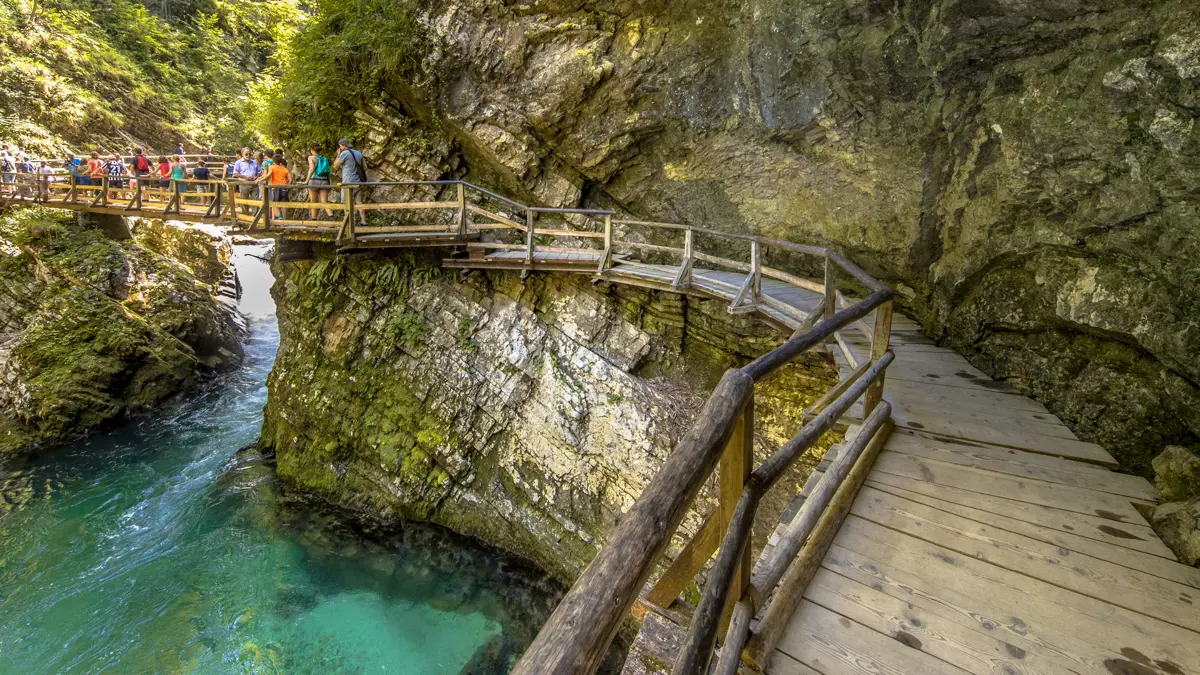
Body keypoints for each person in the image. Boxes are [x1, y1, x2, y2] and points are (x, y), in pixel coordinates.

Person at [306, 143, 333, 219]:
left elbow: (311, 169)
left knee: (314, 203)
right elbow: (328, 172)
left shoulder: (311, 157)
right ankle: (331, 217)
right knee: (324, 201)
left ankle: (314, 222)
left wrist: (306, 181)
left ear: (311, 150)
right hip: (324, 181)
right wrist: (329, 184)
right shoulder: (324, 158)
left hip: (314, 181)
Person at [232, 148, 258, 214]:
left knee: (255, 200)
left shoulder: (254, 162)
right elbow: (235, 173)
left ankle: (254, 216)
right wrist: (245, 177)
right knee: (244, 200)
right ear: (242, 154)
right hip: (244, 184)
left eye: (250, 154)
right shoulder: (238, 163)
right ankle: (245, 215)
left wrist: (255, 177)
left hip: (254, 184)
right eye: (246, 154)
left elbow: (258, 172)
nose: (248, 155)